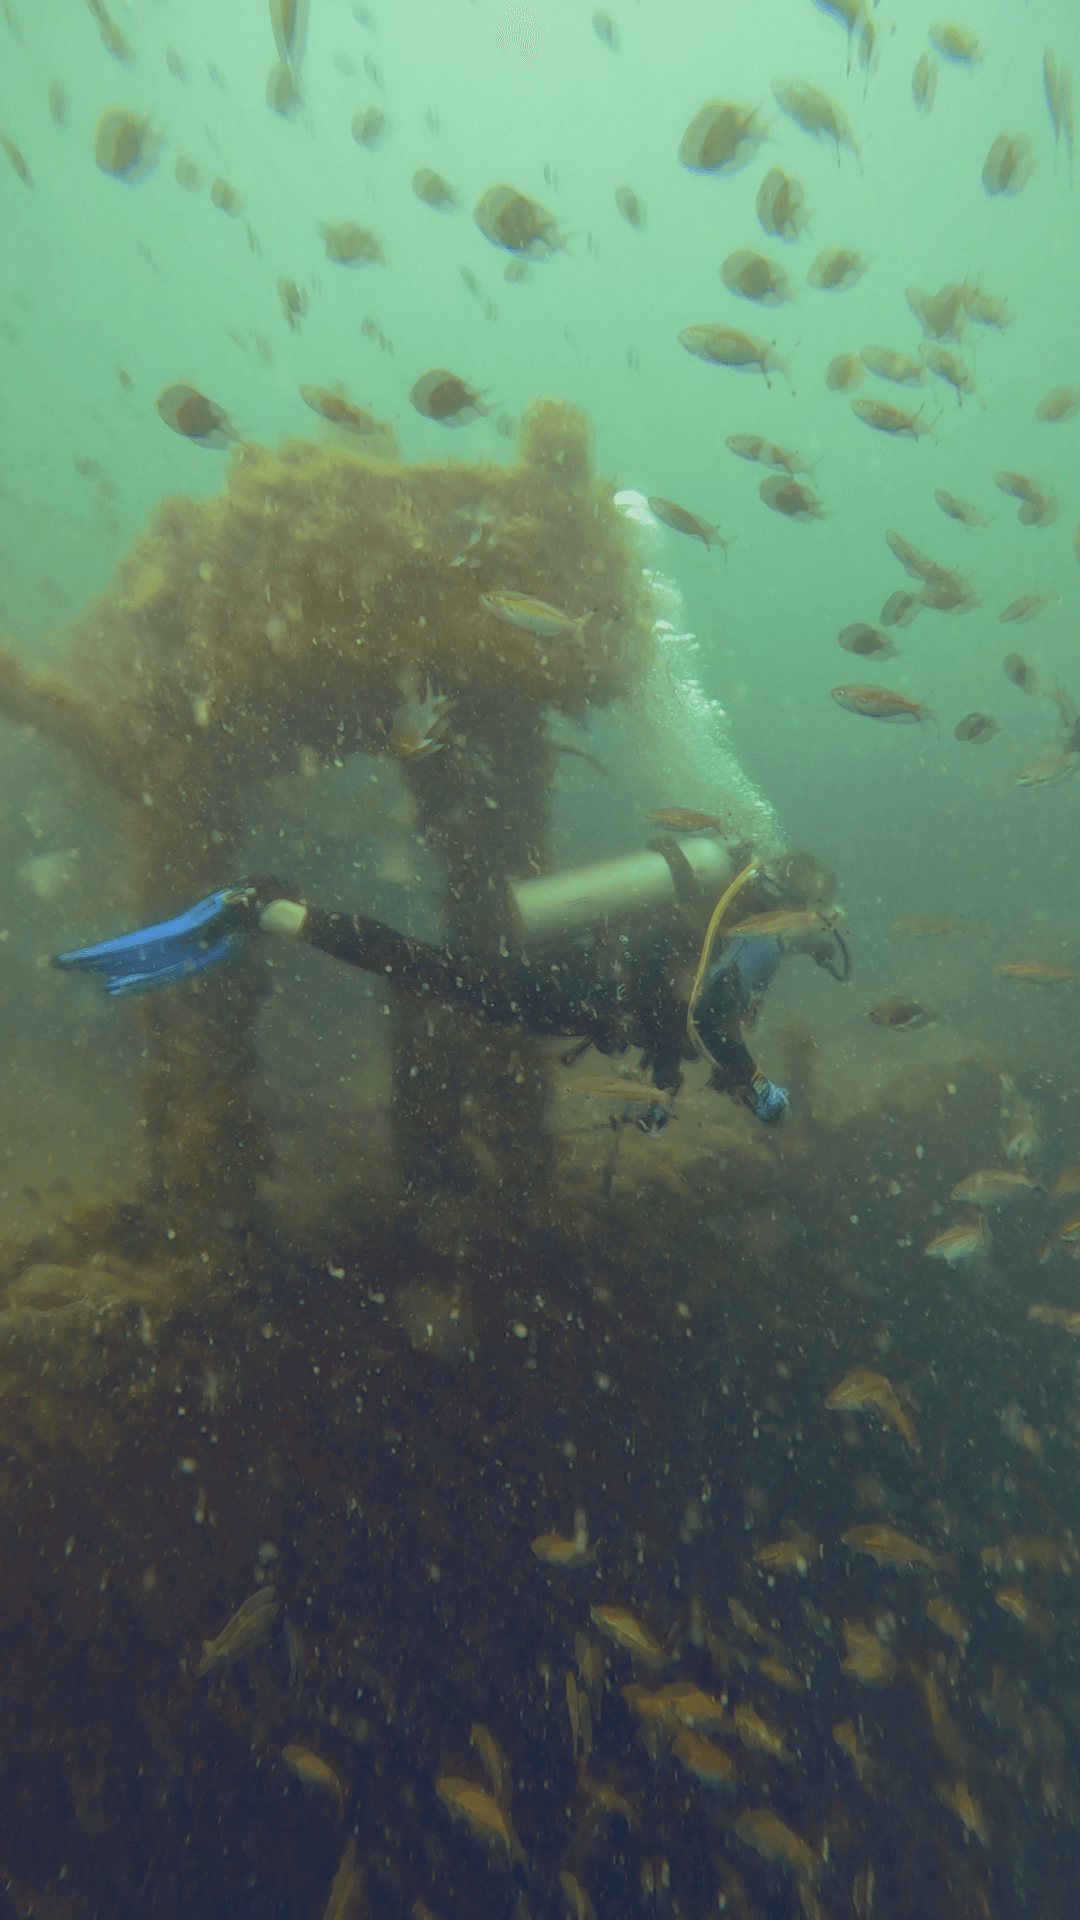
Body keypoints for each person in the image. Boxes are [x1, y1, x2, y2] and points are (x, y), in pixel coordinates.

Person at [52, 853, 848, 1130]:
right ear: (805, 905)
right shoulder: (765, 935)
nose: (822, 937)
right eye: (826, 921)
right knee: (430, 969)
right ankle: (264, 907)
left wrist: (663, 1085)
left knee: (439, 970)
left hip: (577, 986)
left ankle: (274, 908)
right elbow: (707, 1013)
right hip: (573, 993)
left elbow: (673, 1004)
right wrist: (754, 1085)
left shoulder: (726, 916)